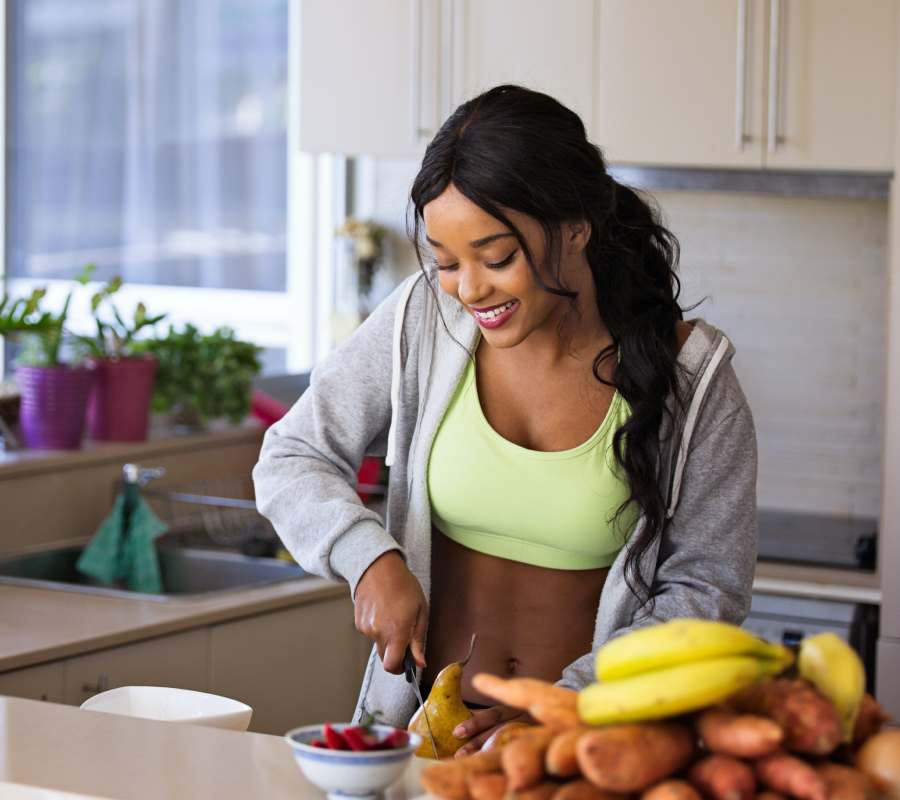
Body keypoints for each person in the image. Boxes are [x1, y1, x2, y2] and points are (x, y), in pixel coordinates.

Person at [253, 84, 758, 753]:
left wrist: (566, 708)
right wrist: (370, 557)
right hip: (420, 746)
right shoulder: (423, 320)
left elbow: (706, 589)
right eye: (446, 262)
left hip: (585, 754)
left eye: (496, 258)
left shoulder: (692, 377)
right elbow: (291, 457)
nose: (469, 289)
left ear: (575, 227)